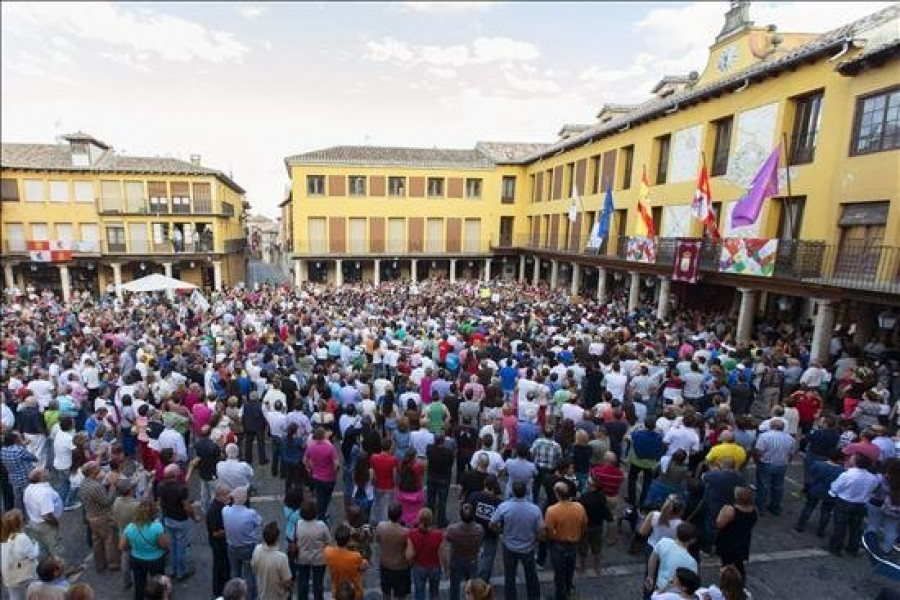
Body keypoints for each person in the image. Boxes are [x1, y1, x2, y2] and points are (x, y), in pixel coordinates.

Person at [490, 481, 543, 600]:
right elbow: (541, 530)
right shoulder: (535, 509)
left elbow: (492, 524)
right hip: (528, 546)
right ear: (526, 492)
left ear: (512, 492)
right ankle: (534, 596)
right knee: (531, 575)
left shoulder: (504, 507)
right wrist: (536, 540)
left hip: (509, 545)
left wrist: (501, 532)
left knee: (509, 575)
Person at [545, 481, 588, 600]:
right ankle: (568, 588)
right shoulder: (579, 507)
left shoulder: (552, 511)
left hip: (558, 545)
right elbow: (584, 526)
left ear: (557, 494)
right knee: (570, 569)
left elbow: (549, 531)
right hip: (574, 544)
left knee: (559, 573)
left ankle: (560, 596)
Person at [119, 499, 169, 600]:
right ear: (153, 512)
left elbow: (122, 546)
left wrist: (134, 546)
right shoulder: (157, 527)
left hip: (137, 559)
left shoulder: (130, 527)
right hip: (155, 560)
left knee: (139, 583)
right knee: (158, 585)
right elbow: (164, 546)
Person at [223, 486, 262, 600]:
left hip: (232, 546)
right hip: (248, 547)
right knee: (249, 574)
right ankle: (250, 597)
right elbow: (259, 522)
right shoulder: (250, 513)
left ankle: (234, 594)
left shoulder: (225, 511)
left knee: (234, 572)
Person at [794, 450, 844, 536]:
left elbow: (812, 475)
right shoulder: (842, 471)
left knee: (809, 507)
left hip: (816, 489)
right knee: (826, 511)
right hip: (830, 493)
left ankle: (800, 525)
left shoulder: (818, 464)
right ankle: (821, 530)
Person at [753, 418, 796, 517]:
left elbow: (758, 451)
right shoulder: (790, 439)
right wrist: (787, 462)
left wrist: (757, 461)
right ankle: (775, 507)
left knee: (763, 486)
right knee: (778, 487)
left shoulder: (764, 436)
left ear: (771, 426)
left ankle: (761, 508)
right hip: (781, 465)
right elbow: (791, 453)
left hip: (766, 463)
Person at [644, 523, 698, 600]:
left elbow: (653, 559)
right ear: (692, 540)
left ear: (676, 533)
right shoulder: (692, 562)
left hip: (660, 588)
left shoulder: (664, 542)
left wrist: (650, 577)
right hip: (676, 594)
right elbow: (691, 584)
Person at [714, 486, 758, 580]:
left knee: (726, 562)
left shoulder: (730, 510)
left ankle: (729, 582)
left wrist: (722, 510)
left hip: (728, 540)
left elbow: (719, 524)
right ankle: (739, 579)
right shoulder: (754, 510)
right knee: (738, 561)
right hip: (743, 539)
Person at [443, 503, 484, 600]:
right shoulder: (479, 530)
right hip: (472, 560)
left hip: (457, 559)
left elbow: (447, 538)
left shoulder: (452, 530)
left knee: (455, 586)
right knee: (473, 586)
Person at [469, 474, 502, 581]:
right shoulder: (498, 503)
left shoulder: (474, 496)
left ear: (484, 483)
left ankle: (472, 577)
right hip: (490, 534)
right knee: (487, 558)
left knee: (473, 555)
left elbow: (468, 511)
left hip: (475, 530)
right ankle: (483, 581)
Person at [405, 507, 444, 600]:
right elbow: (442, 554)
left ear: (419, 519)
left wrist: (410, 563)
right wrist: (444, 568)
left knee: (419, 593)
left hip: (419, 567)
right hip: (434, 567)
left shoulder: (412, 534)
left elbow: (409, 555)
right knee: (434, 593)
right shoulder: (438, 535)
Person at [1, 509, 40, 600]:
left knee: (14, 596)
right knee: (32, 593)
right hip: (25, 573)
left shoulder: (3, 538)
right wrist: (36, 545)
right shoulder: (22, 538)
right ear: (18, 523)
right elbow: (33, 555)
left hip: (8, 573)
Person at [22, 468, 62, 558]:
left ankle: (48, 564)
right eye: (44, 471)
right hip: (45, 525)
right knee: (54, 546)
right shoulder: (45, 493)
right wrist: (55, 523)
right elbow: (47, 516)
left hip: (34, 522)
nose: (47, 471)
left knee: (43, 547)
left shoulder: (29, 488)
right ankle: (60, 567)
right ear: (40, 477)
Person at [577, 474, 613, 575]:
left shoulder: (584, 498)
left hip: (585, 527)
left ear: (592, 486)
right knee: (597, 549)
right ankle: (597, 567)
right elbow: (606, 511)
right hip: (598, 526)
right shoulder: (601, 496)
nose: (587, 485)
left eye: (588, 483)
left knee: (583, 549)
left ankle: (582, 567)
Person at [375, 503, 411, 600]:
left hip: (385, 565)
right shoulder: (405, 532)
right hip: (400, 567)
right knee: (401, 595)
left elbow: (378, 540)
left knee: (386, 593)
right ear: (400, 516)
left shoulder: (380, 526)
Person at [324, 523, 368, 600]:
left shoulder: (327, 552)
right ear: (348, 540)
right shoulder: (356, 556)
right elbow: (364, 566)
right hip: (355, 590)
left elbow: (330, 546)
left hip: (337, 590)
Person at [866, 458, 900, 555]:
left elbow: (872, 490)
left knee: (873, 525)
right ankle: (886, 550)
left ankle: (869, 546)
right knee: (891, 529)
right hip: (895, 508)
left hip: (875, 503)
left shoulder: (881, 478)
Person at [304, 428, 339, 522]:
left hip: (317, 476)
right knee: (327, 497)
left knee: (320, 497)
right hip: (329, 477)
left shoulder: (311, 446)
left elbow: (305, 460)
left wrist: (310, 468)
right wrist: (335, 471)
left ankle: (321, 514)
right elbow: (336, 464)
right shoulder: (330, 447)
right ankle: (322, 514)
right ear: (324, 436)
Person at [251, 521, 292, 600]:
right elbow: (287, 581)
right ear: (277, 538)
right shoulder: (281, 558)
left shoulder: (257, 549)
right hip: (278, 596)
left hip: (262, 594)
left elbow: (253, 569)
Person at [111, 478, 140, 588]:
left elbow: (114, 517)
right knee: (139, 557)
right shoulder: (136, 505)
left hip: (122, 533)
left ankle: (126, 581)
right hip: (135, 535)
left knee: (125, 558)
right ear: (130, 490)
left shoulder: (117, 501)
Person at [207, 484, 231, 598]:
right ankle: (219, 590)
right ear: (219, 495)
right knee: (220, 567)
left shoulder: (221, 506)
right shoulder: (214, 511)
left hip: (220, 543)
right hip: (218, 544)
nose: (229, 496)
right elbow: (215, 533)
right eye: (227, 494)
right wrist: (229, 529)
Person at [425, 433, 454, 528]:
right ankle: (441, 520)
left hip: (432, 477)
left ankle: (429, 519)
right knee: (442, 501)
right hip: (443, 479)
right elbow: (451, 464)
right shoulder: (448, 453)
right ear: (443, 441)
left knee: (430, 500)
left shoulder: (429, 449)